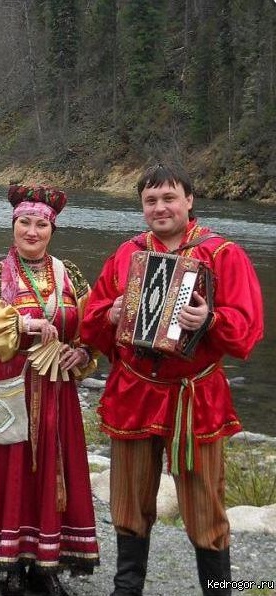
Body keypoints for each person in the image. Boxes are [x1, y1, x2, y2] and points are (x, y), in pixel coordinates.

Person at [80, 163, 264, 596]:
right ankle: (127, 589)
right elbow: (92, 322)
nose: (160, 208)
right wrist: (110, 314)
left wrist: (210, 319)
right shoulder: (126, 253)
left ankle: (218, 590)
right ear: (142, 206)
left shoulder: (223, 253)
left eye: (169, 198)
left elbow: (247, 329)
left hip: (193, 394)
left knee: (204, 502)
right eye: (151, 200)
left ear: (189, 201)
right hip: (134, 389)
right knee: (128, 497)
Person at [0, 184, 100, 596]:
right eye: (25, 222)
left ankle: (46, 563)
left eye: (41, 224)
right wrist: (21, 324)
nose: (32, 232)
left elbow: (94, 323)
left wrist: (83, 351)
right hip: (9, 383)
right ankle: (12, 563)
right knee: (9, 468)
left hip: (56, 387)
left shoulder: (70, 274)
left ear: (52, 230)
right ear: (13, 224)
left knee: (52, 470)